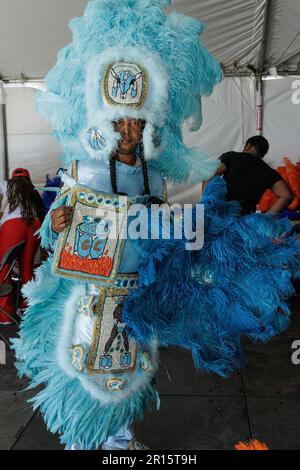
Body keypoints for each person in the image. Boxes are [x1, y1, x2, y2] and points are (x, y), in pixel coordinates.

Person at [12, 0, 299, 452]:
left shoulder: (154, 175)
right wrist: (59, 222)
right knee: (89, 368)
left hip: (137, 289)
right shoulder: (83, 168)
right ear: (105, 122)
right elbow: (56, 225)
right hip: (91, 291)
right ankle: (86, 443)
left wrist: (186, 237)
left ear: (149, 126)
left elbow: (157, 226)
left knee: (132, 369)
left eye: (137, 121)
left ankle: (122, 440)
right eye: (120, 120)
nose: (128, 129)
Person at [203, 136, 293, 215]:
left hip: (222, 215)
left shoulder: (231, 157)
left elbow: (209, 175)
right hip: (245, 222)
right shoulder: (267, 170)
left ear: (248, 145)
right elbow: (287, 195)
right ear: (262, 154)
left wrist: (204, 203)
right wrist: (267, 218)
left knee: (201, 231)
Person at [0, 168, 44, 325]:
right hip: (34, 224)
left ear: (12, 179)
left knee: (4, 268)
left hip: (13, 225)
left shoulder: (7, 185)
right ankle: (28, 309)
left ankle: (4, 315)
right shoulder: (33, 191)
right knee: (27, 268)